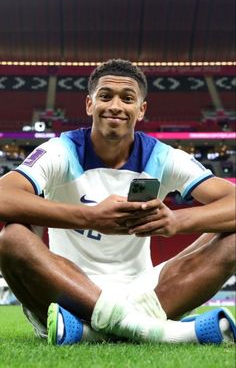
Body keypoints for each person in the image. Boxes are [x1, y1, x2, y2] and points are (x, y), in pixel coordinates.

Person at [0, 59, 235, 345]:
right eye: (105, 96)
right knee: (11, 237)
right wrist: (90, 217)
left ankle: (94, 331)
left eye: (127, 98)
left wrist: (177, 221)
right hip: (65, 291)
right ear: (89, 104)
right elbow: (4, 195)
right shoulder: (60, 150)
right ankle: (150, 330)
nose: (115, 106)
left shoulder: (162, 157)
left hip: (145, 295)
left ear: (141, 109)